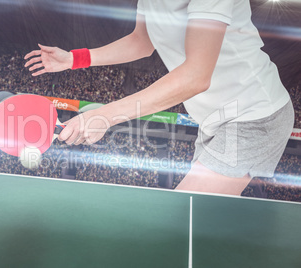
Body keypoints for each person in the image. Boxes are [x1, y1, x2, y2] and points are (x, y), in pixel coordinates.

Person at [24, 0, 294, 196]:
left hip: (254, 115)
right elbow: (141, 41)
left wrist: (105, 115)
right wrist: (74, 59)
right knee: (201, 224)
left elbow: (196, 75)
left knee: (185, 219)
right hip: (214, 120)